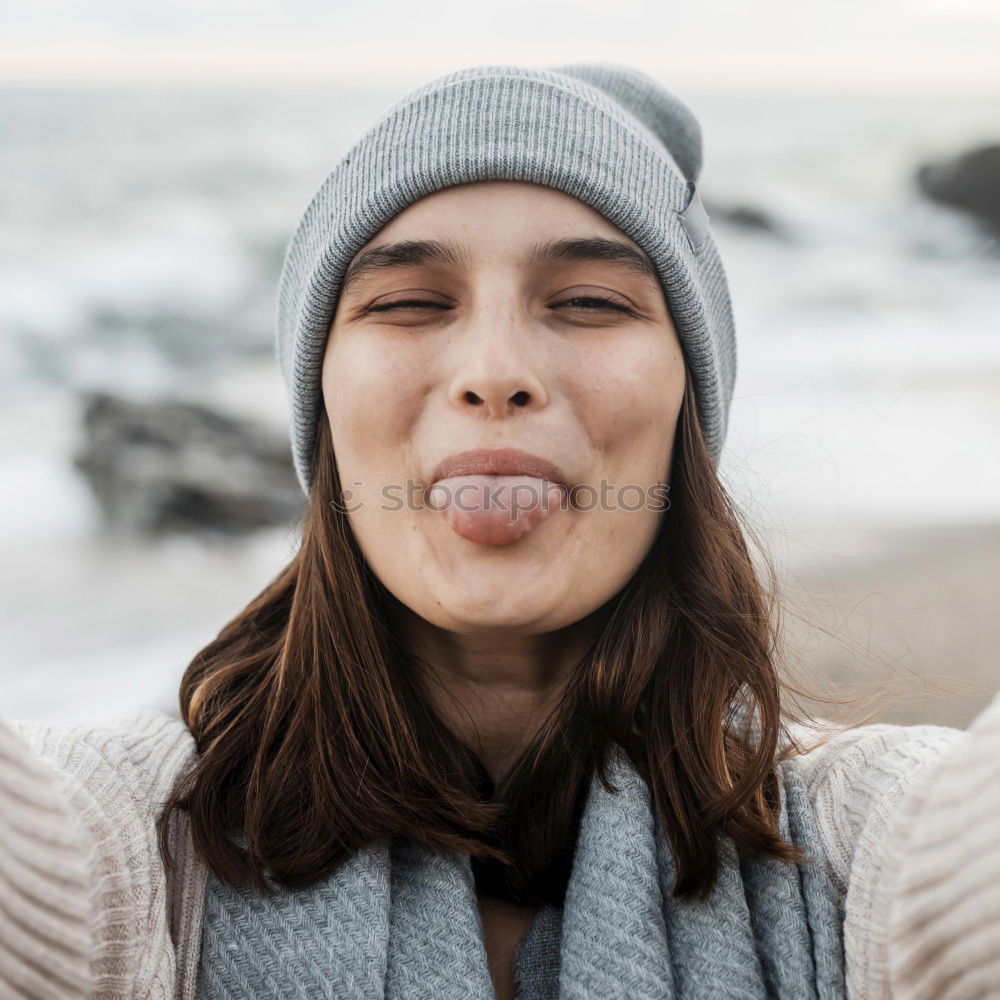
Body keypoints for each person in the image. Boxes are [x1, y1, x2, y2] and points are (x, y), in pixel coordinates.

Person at [1, 62, 998, 1000]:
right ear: (324, 405)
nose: (493, 368)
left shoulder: (864, 839)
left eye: (591, 302)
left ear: (686, 408)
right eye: (407, 302)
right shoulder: (125, 844)